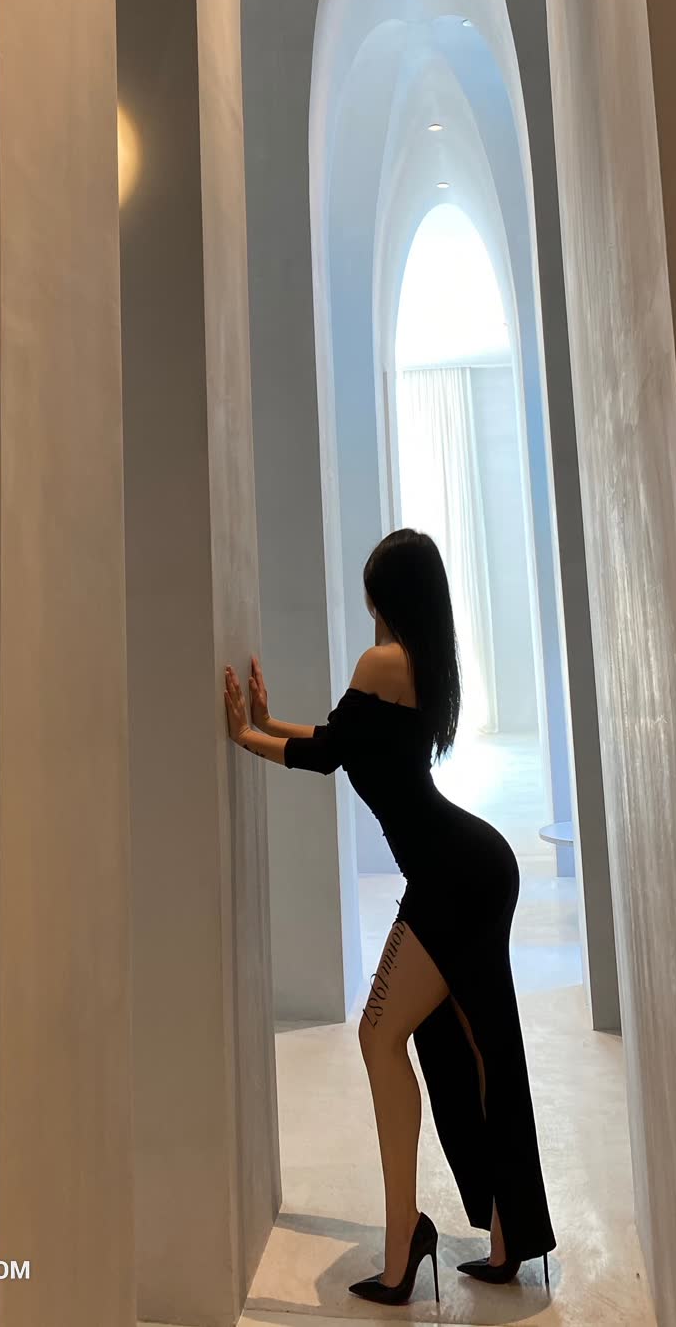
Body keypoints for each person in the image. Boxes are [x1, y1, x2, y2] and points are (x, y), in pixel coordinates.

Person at [223, 527, 555, 1307]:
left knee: (382, 1035)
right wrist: (268, 723)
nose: (367, 605)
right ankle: (504, 1233)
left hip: (451, 875)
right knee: (477, 1049)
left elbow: (327, 754)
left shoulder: (382, 662)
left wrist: (243, 736)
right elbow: (343, 742)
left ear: (386, 597)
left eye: (371, 591)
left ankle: (406, 1238)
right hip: (470, 866)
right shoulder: (423, 666)